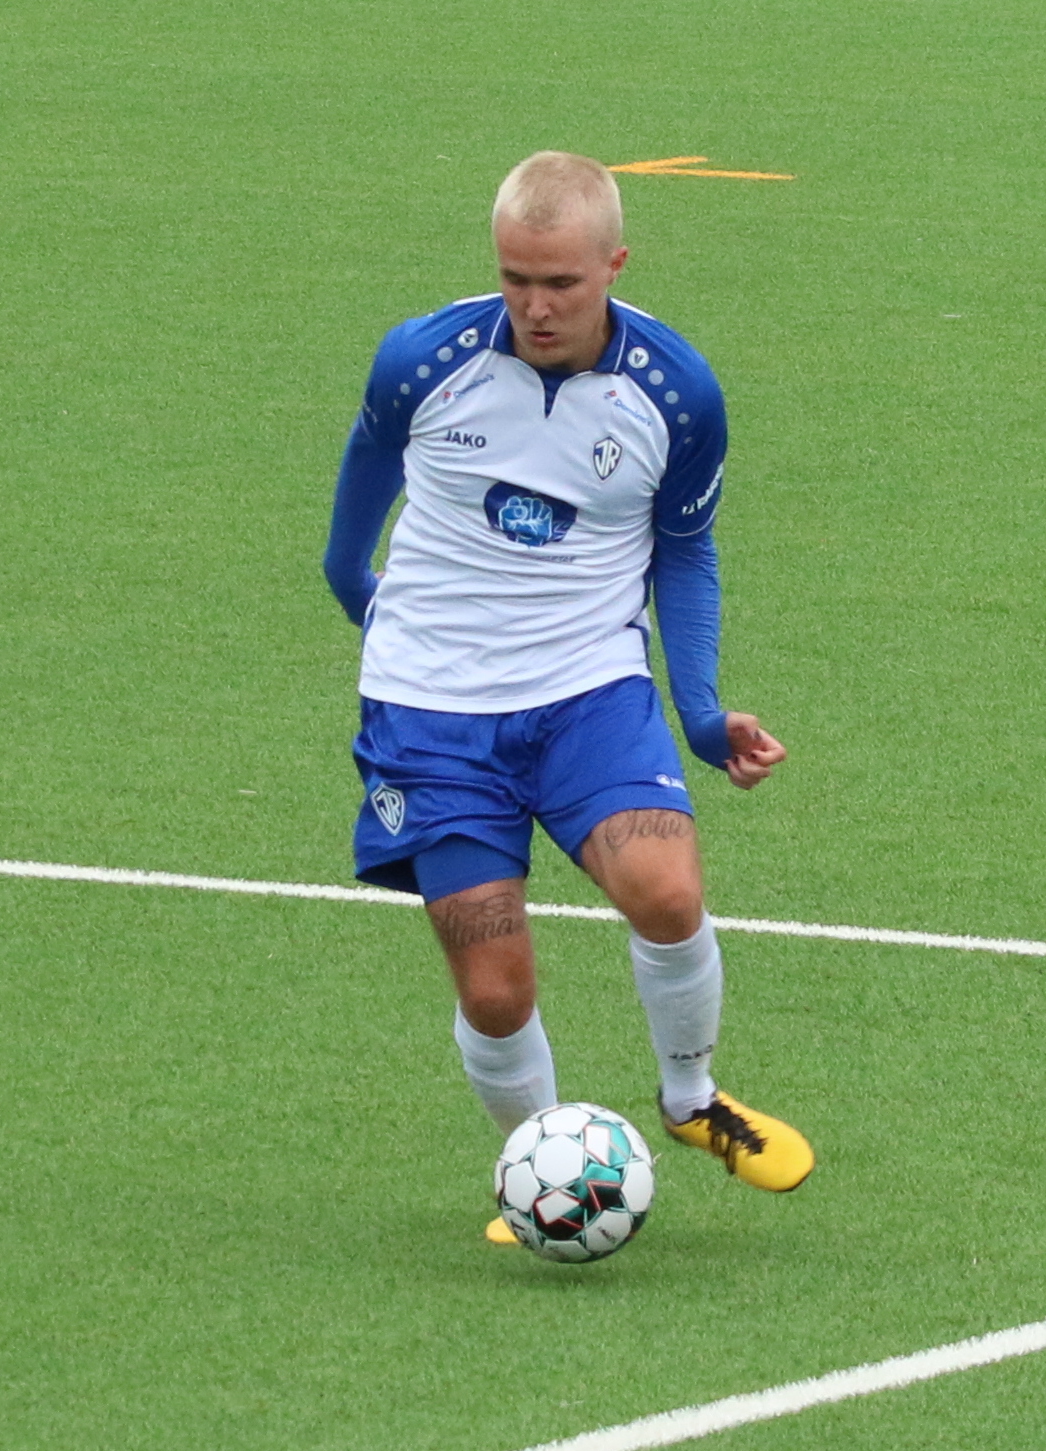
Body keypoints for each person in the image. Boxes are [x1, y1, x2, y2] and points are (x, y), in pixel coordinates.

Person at [323, 151, 813, 1243]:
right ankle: (539, 1170)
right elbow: (360, 491)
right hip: (429, 716)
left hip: (586, 690)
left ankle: (691, 1099)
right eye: (515, 279)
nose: (535, 307)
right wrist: (366, 601)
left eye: (560, 283)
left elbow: (684, 551)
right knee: (494, 990)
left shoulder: (675, 394)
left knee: (666, 892)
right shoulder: (421, 361)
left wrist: (700, 713)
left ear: (614, 266)